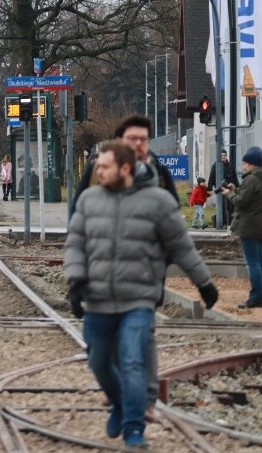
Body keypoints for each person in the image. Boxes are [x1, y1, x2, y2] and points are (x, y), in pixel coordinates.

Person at [64, 139, 218, 449]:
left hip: (138, 299)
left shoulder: (158, 202)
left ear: (125, 168)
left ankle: (134, 429)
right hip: (97, 299)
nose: (99, 172)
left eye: (104, 167)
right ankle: (120, 404)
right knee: (97, 361)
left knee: (134, 361)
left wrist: (203, 283)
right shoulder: (89, 200)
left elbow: (181, 246)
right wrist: (76, 282)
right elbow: (75, 244)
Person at [72, 115, 178, 415]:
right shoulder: (97, 170)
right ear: (120, 141)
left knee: (144, 333)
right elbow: (77, 212)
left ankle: (146, 398)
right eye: (132, 139)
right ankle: (119, 388)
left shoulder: (158, 170)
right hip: (104, 266)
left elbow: (173, 222)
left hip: (148, 269)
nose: (139, 144)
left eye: (143, 139)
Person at [221, 146, 262, 308]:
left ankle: (256, 296)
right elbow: (252, 199)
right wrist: (236, 189)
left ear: (252, 164)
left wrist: (229, 194)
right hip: (259, 226)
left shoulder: (251, 179)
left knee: (252, 262)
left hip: (249, 226)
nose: (243, 166)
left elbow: (241, 202)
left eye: (245, 163)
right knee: (259, 261)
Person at [208, 149, 239, 228]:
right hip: (220, 189)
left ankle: (231, 223)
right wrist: (209, 188)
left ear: (226, 156)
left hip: (229, 188)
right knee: (222, 206)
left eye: (224, 155)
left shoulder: (229, 165)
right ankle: (224, 223)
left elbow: (234, 177)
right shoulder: (215, 166)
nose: (223, 157)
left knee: (231, 206)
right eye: (221, 156)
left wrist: (237, 187)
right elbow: (211, 177)